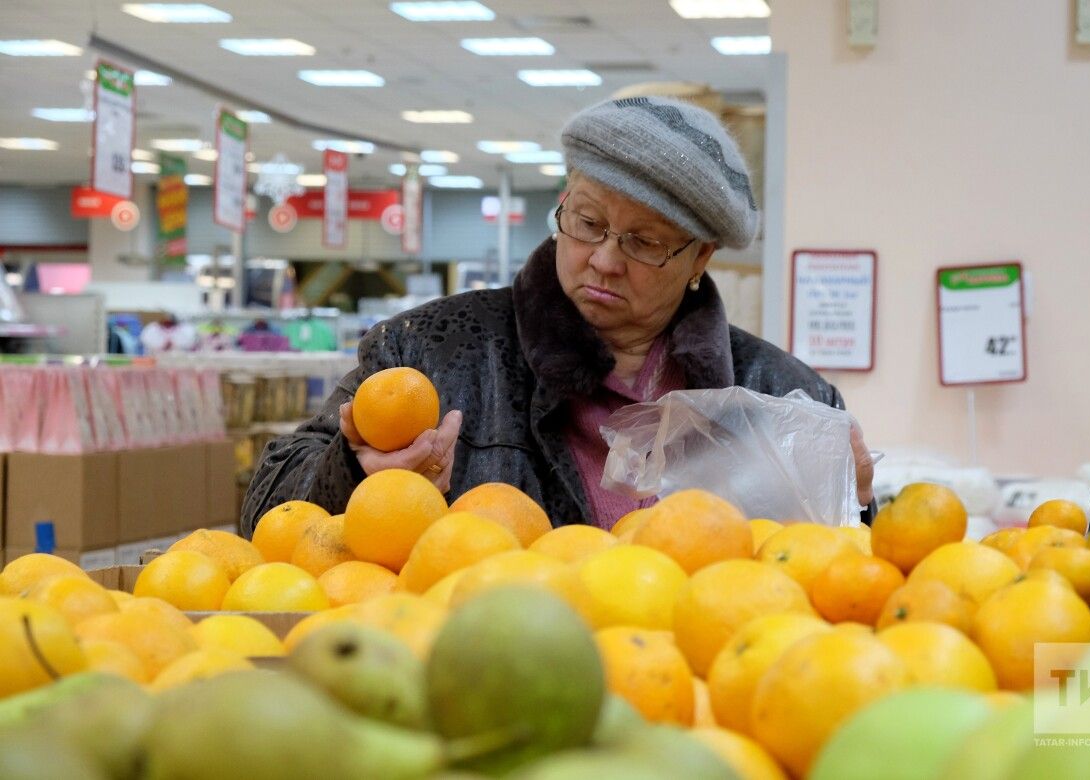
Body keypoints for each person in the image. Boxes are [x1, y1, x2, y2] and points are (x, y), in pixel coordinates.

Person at [241, 96, 875, 535]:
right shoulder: (431, 354)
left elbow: (831, 575)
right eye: (588, 221)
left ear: (700, 256)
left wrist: (853, 503)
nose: (602, 260)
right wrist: (354, 474)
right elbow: (264, 509)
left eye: (645, 241)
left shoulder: (780, 395)